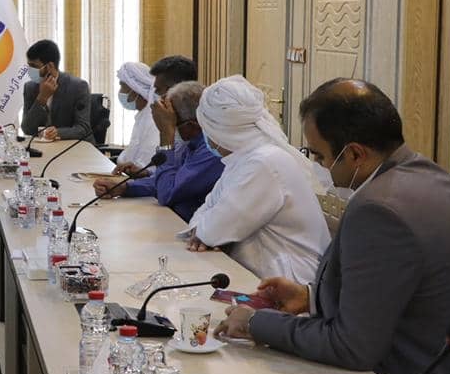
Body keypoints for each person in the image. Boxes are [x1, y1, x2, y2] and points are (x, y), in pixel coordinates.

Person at [216, 79, 450, 374]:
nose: (318, 166)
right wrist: (310, 297)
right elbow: (401, 293)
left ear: (355, 153)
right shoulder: (432, 178)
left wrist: (256, 323)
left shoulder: (379, 209)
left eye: (319, 156)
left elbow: (351, 346)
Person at [184, 75, 329, 283]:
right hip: (262, 272)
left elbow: (212, 230)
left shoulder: (263, 162)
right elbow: (204, 213)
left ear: (219, 131)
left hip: (290, 281)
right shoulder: (244, 158)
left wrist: (206, 232)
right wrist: (204, 230)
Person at [93, 81, 224, 221]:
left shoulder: (213, 150)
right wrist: (124, 188)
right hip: (172, 219)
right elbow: (171, 179)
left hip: (186, 224)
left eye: (172, 124)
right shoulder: (193, 141)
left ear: (191, 125)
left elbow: (166, 193)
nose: (170, 129)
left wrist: (166, 135)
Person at [21, 39, 91, 141]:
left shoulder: (78, 87)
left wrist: (58, 132)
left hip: (71, 146)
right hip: (42, 148)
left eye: (34, 66)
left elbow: (83, 128)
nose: (29, 70)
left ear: (50, 66)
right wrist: (41, 99)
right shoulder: (30, 87)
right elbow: (27, 129)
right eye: (28, 65)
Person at [110, 62, 160, 176]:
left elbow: (144, 168)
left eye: (123, 86)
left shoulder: (154, 119)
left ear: (136, 88)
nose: (120, 92)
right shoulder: (143, 115)